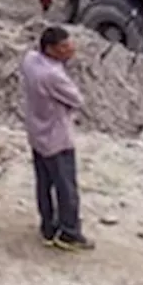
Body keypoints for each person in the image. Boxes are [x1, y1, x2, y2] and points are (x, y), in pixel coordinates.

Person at [21, 26, 92, 251]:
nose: (70, 51)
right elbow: (77, 100)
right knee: (66, 188)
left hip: (37, 133)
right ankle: (69, 232)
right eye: (65, 48)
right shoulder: (53, 75)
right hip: (57, 138)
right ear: (50, 49)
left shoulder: (30, 60)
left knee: (44, 184)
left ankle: (48, 228)